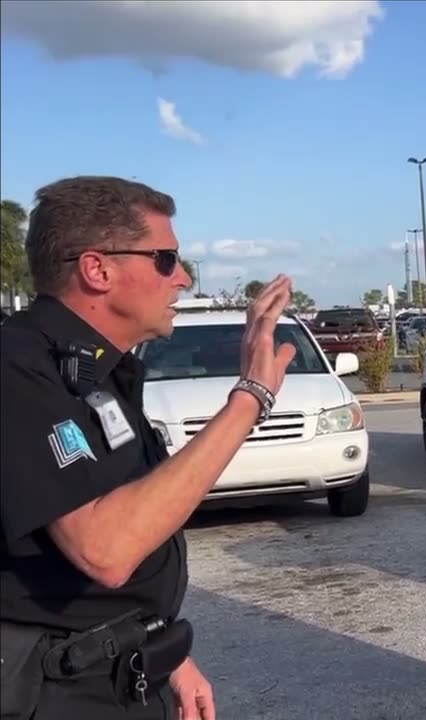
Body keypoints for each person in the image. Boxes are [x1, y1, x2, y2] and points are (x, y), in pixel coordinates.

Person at [0, 176, 297, 720]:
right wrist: (250, 397)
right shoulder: (18, 369)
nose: (182, 278)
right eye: (165, 259)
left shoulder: (92, 370)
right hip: (54, 695)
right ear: (98, 269)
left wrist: (163, 653)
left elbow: (125, 519)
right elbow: (107, 550)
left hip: (117, 671)